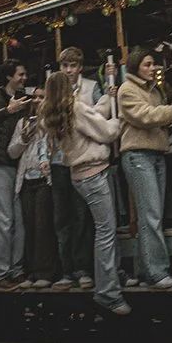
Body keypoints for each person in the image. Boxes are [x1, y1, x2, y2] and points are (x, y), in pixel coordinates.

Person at [37, 72, 126, 315]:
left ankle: (111, 283)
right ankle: (108, 293)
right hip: (94, 173)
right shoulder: (75, 108)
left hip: (78, 175)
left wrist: (106, 100)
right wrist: (119, 119)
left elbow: (92, 116)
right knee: (106, 232)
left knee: (102, 229)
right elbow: (106, 132)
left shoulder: (52, 114)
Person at [117, 48, 172, 289]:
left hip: (156, 154)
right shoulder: (127, 90)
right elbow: (145, 116)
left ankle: (144, 271)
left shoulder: (154, 90)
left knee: (151, 214)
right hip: (138, 155)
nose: (152, 69)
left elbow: (160, 119)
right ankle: (157, 272)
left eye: (153, 65)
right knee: (151, 215)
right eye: (147, 64)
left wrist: (169, 116)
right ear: (136, 66)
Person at [47, 46, 106, 290]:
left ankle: (82, 269)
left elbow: (99, 118)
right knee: (62, 217)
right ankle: (66, 270)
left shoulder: (91, 88)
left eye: (73, 66)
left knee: (82, 215)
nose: (69, 70)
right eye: (65, 66)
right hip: (58, 161)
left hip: (81, 159)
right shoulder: (53, 89)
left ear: (80, 68)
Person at [0, 63, 34, 288]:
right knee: (3, 219)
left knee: (18, 220)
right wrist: (9, 110)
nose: (24, 78)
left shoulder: (24, 98)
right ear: (9, 76)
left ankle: (15, 269)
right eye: (20, 74)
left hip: (16, 162)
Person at [10, 95, 60, 287]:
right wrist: (23, 138)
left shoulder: (52, 120)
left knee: (43, 225)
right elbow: (12, 152)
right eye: (35, 97)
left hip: (45, 178)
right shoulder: (22, 123)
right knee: (29, 226)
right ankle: (31, 272)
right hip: (26, 179)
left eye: (42, 97)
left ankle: (44, 273)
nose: (38, 100)